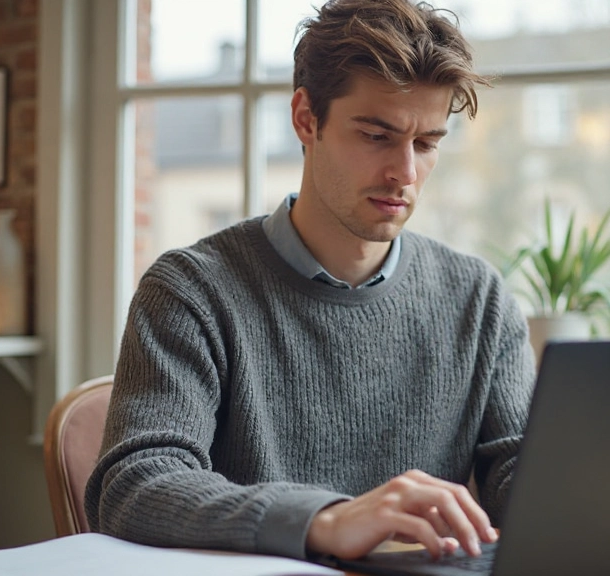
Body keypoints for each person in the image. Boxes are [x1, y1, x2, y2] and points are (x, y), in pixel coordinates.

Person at [84, 0, 535, 563]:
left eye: (426, 144)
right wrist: (325, 519)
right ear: (305, 119)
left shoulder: (479, 299)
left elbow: (523, 472)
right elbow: (134, 487)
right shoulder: (190, 291)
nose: (406, 172)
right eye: (376, 135)